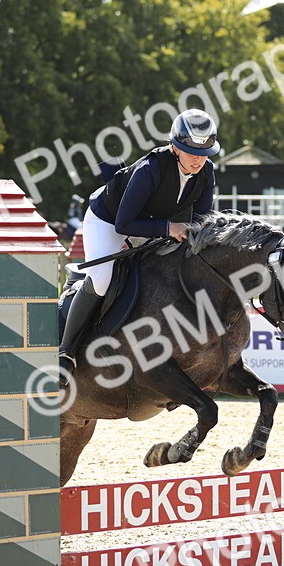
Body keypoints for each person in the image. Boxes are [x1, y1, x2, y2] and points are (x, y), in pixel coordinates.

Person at [58, 109, 220, 378]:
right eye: (191, 153)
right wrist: (170, 227)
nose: (198, 160)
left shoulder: (206, 172)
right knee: (102, 279)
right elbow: (124, 224)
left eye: (204, 154)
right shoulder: (150, 169)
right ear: (175, 148)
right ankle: (66, 351)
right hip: (108, 220)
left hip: (149, 223)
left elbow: (201, 222)